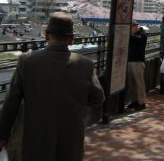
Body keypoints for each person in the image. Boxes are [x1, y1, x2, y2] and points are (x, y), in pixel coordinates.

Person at [0, 12, 105, 161]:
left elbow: (12, 101)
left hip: (35, 139)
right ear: (71, 39)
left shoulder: (27, 61)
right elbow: (98, 99)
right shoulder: (85, 64)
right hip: (71, 139)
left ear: (46, 35)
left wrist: (3, 134)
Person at [126, 20, 147, 111]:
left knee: (139, 83)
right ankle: (135, 101)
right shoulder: (132, 36)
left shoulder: (142, 34)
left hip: (138, 62)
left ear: (135, 26)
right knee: (132, 83)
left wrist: (129, 34)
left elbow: (137, 39)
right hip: (130, 61)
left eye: (131, 27)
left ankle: (141, 102)